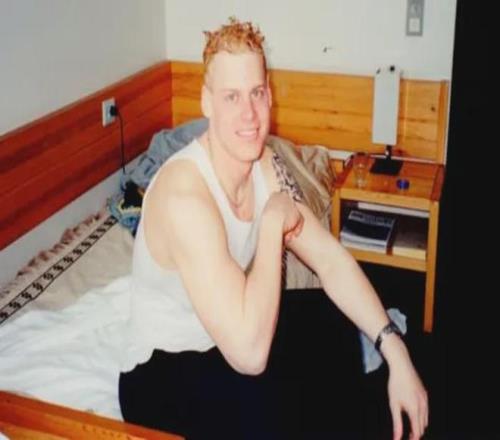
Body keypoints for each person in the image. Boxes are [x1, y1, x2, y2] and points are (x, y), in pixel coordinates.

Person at [119, 17, 428, 439]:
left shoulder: (263, 162)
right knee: (277, 405)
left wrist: (397, 353)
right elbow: (250, 356)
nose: (249, 114)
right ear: (207, 102)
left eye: (257, 93)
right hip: (164, 371)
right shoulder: (184, 196)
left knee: (334, 318)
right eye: (231, 96)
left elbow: (330, 260)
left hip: (230, 331)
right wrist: (270, 226)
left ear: (270, 94)